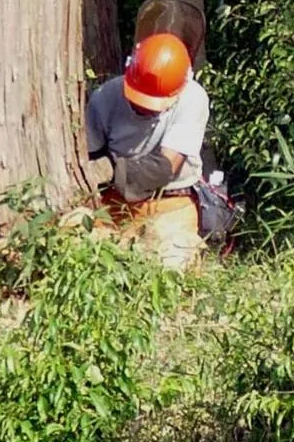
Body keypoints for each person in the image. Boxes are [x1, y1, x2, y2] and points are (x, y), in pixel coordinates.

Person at [86, 32, 210, 270]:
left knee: (170, 270)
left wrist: (109, 168)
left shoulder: (192, 99)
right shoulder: (105, 97)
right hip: (112, 204)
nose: (144, 109)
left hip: (171, 203)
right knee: (89, 258)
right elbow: (88, 156)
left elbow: (164, 168)